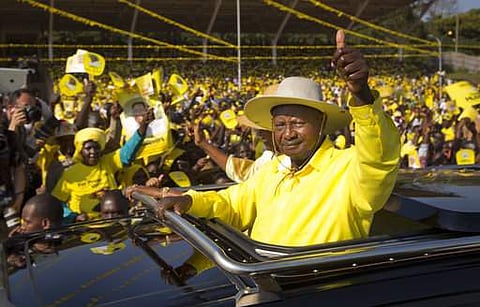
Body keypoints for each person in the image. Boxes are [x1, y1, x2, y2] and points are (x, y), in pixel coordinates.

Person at [153, 30, 401, 248]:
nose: (288, 133)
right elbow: (232, 203)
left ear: (322, 124)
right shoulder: (273, 170)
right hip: (266, 285)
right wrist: (189, 201)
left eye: (297, 123)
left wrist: (362, 94)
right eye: (280, 125)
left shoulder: (348, 169)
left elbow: (378, 159)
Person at [51, 101, 154, 221]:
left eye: (96, 147)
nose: (93, 152)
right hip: (84, 226)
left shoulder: (108, 162)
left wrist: (143, 127)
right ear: (80, 150)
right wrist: (74, 217)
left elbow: (128, 151)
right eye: (88, 148)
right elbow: (57, 202)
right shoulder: (69, 174)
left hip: (113, 219)